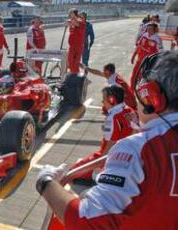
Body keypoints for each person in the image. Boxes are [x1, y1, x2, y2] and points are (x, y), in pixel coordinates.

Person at [35, 51, 178, 229]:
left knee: (75, 173)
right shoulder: (127, 112)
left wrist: (45, 182)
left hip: (109, 159)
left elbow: (86, 221)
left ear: (151, 97)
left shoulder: (138, 150)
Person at [69, 86, 138, 180]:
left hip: (113, 157)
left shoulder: (113, 117)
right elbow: (135, 131)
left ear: (112, 100)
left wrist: (98, 164)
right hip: (127, 155)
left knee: (72, 172)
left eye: (103, 99)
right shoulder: (130, 110)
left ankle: (99, 175)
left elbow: (110, 146)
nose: (102, 102)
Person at [131, 23, 163, 87]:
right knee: (134, 75)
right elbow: (138, 46)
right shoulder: (144, 35)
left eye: (150, 28)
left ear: (154, 30)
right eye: (148, 28)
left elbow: (160, 52)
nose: (148, 30)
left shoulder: (157, 39)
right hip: (140, 60)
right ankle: (132, 89)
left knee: (146, 79)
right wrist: (133, 56)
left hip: (149, 62)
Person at [67, 8, 86, 75]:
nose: (69, 15)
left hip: (78, 46)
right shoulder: (72, 20)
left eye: (71, 14)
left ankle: (75, 75)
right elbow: (67, 24)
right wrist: (69, 22)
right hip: (72, 45)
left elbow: (77, 24)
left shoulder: (80, 21)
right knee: (70, 62)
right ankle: (74, 73)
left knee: (75, 62)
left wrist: (73, 18)